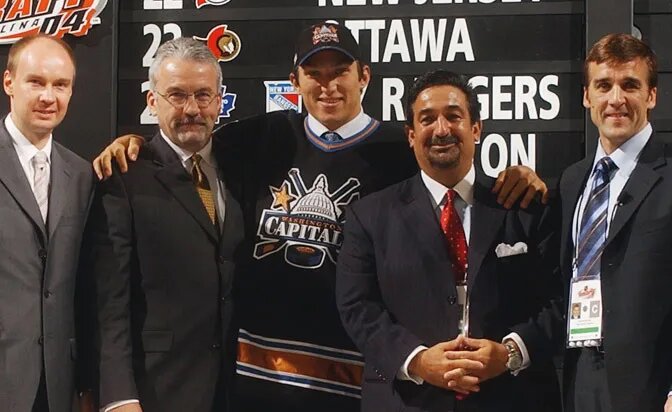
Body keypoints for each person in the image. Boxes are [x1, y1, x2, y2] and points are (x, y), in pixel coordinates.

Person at [92, 22, 548, 412]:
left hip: (360, 379)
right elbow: (188, 145)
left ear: (364, 76)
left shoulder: (402, 149)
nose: (327, 85)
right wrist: (136, 145)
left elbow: (452, 179)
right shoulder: (257, 137)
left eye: (340, 72)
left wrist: (515, 178)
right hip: (256, 380)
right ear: (295, 80)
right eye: (314, 73)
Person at [335, 70, 562, 412]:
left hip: (513, 399)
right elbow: (357, 307)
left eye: (453, 116)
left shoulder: (524, 206)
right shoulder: (369, 216)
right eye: (427, 119)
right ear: (411, 135)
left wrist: (511, 352)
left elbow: (561, 299)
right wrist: (417, 360)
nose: (441, 129)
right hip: (407, 402)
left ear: (476, 129)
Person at [82, 37, 243, 412]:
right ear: (152, 101)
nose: (192, 109)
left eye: (203, 95)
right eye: (177, 95)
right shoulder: (123, 175)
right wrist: (119, 397)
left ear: (220, 101)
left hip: (236, 390)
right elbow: (109, 303)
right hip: (156, 391)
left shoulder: (242, 166)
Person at [556, 33, 672, 412]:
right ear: (586, 96)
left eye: (630, 85)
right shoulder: (572, 181)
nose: (616, 99)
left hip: (653, 385)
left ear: (651, 96)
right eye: (604, 86)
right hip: (579, 374)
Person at [0, 34, 94, 411]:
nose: (48, 97)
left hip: (57, 386)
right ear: (9, 82)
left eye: (60, 85)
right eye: (36, 82)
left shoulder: (83, 175)